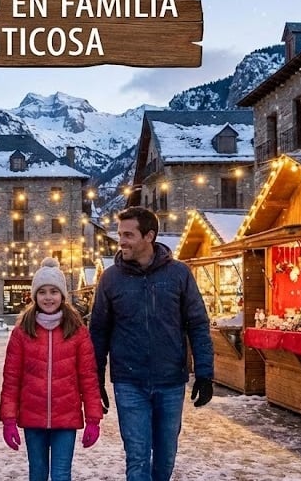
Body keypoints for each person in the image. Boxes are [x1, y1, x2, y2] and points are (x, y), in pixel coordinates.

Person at [89, 206, 214, 481]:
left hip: (170, 381)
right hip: (128, 381)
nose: (121, 241)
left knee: (166, 456)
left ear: (149, 236)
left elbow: (198, 324)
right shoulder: (110, 279)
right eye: (120, 234)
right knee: (137, 456)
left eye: (128, 235)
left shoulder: (179, 274)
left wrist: (205, 374)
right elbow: (98, 331)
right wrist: (95, 377)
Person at [0, 257, 103, 481]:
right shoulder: (22, 332)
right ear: (35, 295)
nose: (48, 297)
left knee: (60, 475)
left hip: (66, 417)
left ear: (62, 296)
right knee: (37, 473)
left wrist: (93, 419)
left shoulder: (77, 331)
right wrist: (8, 420)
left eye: (54, 292)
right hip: (32, 416)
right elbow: (12, 379)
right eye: (42, 292)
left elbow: (88, 377)